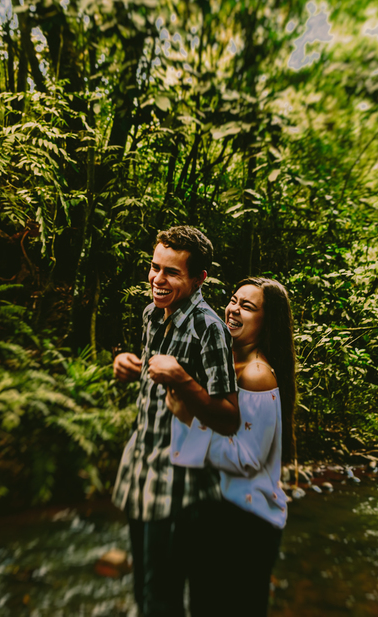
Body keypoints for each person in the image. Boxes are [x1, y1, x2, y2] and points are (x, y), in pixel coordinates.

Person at [112, 226, 240, 617]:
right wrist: (131, 367)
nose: (157, 279)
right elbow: (157, 372)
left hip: (179, 478)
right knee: (142, 585)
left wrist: (183, 380)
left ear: (199, 278)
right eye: (154, 268)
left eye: (171, 273)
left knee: (161, 593)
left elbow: (229, 417)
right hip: (142, 464)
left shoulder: (210, 329)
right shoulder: (152, 314)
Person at [167, 277, 297, 616]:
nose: (234, 310)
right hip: (213, 511)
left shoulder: (256, 375)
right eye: (234, 300)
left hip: (247, 524)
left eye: (248, 307)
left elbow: (247, 458)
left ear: (267, 322)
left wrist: (188, 417)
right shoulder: (225, 362)